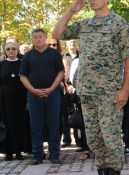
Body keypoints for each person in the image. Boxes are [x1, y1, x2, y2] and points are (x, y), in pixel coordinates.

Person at [52, 0, 129, 175]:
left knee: (110, 139)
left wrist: (125, 89)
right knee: (95, 139)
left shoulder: (119, 24)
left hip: (110, 92)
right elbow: (57, 33)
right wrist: (71, 10)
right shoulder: (85, 24)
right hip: (87, 91)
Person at [20, 29, 65, 165]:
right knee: (36, 126)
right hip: (34, 95)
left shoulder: (54, 54)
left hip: (53, 94)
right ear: (32, 39)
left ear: (45, 38)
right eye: (35, 37)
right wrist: (33, 90)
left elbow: (61, 73)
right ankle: (38, 154)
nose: (38, 39)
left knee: (53, 124)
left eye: (40, 37)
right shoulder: (28, 56)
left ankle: (54, 154)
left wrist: (51, 89)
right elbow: (23, 76)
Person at [0, 41, 31, 161]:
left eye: (13, 48)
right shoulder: (1, 64)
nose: (11, 51)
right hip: (4, 100)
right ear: (5, 51)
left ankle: (19, 151)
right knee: (7, 123)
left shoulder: (23, 63)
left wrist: (28, 100)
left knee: (20, 123)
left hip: (20, 98)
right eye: (8, 49)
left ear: (17, 50)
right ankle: (8, 152)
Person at [61, 39, 80, 148]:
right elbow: (60, 73)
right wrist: (66, 85)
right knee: (65, 115)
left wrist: (74, 86)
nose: (72, 43)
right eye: (70, 41)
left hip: (76, 88)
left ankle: (79, 140)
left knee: (77, 114)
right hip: (64, 88)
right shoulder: (63, 56)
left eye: (74, 41)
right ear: (66, 43)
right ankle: (66, 139)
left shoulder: (81, 55)